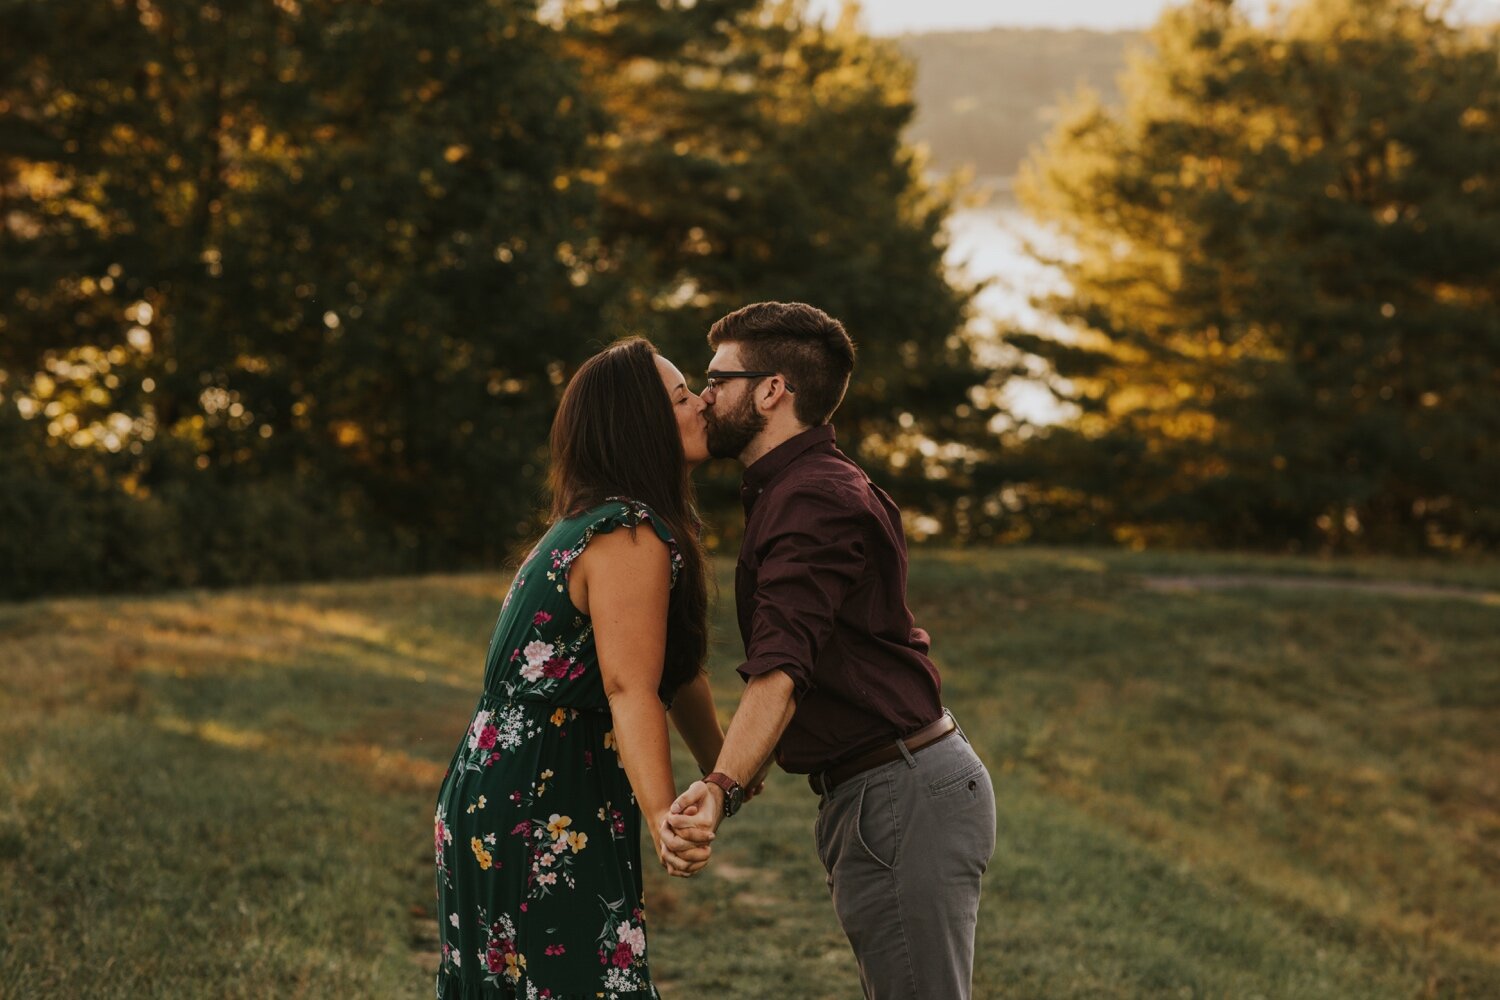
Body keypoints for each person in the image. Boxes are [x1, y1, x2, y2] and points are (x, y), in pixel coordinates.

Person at [662, 302, 997, 1000]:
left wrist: (722, 787)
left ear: (772, 390)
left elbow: (782, 666)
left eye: (717, 377)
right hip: (885, 788)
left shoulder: (812, 498)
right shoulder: (798, 487)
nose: (704, 394)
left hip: (901, 791)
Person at [433, 337, 722, 1000]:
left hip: (515, 786)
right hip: (541, 794)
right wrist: (663, 818)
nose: (703, 404)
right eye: (682, 398)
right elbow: (629, 685)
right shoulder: (625, 533)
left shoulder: (598, 523)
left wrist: (727, 770)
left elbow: (675, 671)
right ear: (641, 425)